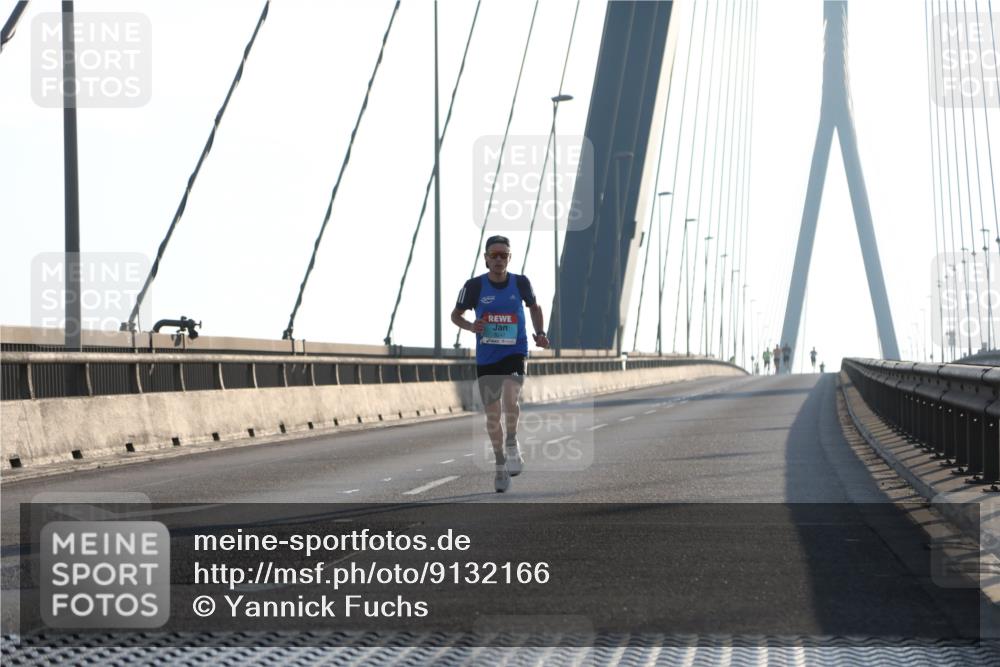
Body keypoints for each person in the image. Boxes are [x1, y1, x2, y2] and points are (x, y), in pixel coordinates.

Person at [451, 235, 549, 493]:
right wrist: (472, 326)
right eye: (493, 255)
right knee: (493, 416)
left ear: (509, 258)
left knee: (510, 399)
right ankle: (500, 465)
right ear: (485, 258)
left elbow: (534, 306)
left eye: (503, 255)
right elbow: (455, 315)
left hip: (515, 351)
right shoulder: (473, 287)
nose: (498, 259)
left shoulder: (520, 282)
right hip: (487, 357)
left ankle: (512, 442)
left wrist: (540, 333)